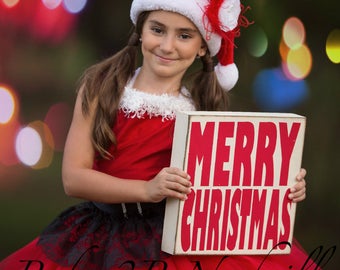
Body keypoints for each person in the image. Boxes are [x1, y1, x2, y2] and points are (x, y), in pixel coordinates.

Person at [0, 0, 319, 269]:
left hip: (179, 238)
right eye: (157, 29)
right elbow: (73, 178)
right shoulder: (102, 87)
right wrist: (147, 188)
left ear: (201, 49)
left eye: (184, 35)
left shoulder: (203, 107)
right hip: (103, 234)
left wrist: (279, 188)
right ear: (140, 31)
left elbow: (229, 189)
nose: (167, 46)